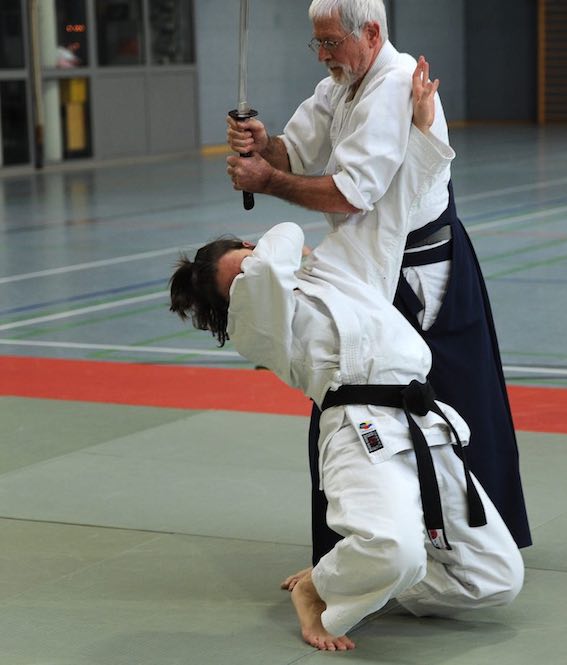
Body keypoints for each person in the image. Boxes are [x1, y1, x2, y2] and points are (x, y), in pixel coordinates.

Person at [169, 67, 523, 651]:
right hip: (361, 433)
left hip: (425, 426)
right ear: (230, 299)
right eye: (241, 270)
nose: (256, 262)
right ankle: (325, 589)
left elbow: (394, 207)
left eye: (247, 256)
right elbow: (281, 235)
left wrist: (422, 126)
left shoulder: (336, 268)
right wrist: (259, 246)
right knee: (396, 548)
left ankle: (361, 577)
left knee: (496, 582)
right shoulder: (257, 322)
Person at [225, 0, 531, 569]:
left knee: (436, 402)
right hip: (368, 265)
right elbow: (295, 151)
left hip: (419, 272)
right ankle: (352, 548)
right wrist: (263, 145)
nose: (322, 55)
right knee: (350, 400)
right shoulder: (340, 83)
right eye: (315, 44)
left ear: (369, 32)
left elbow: (349, 192)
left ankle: (473, 540)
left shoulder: (393, 84)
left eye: (330, 43)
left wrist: (266, 180)